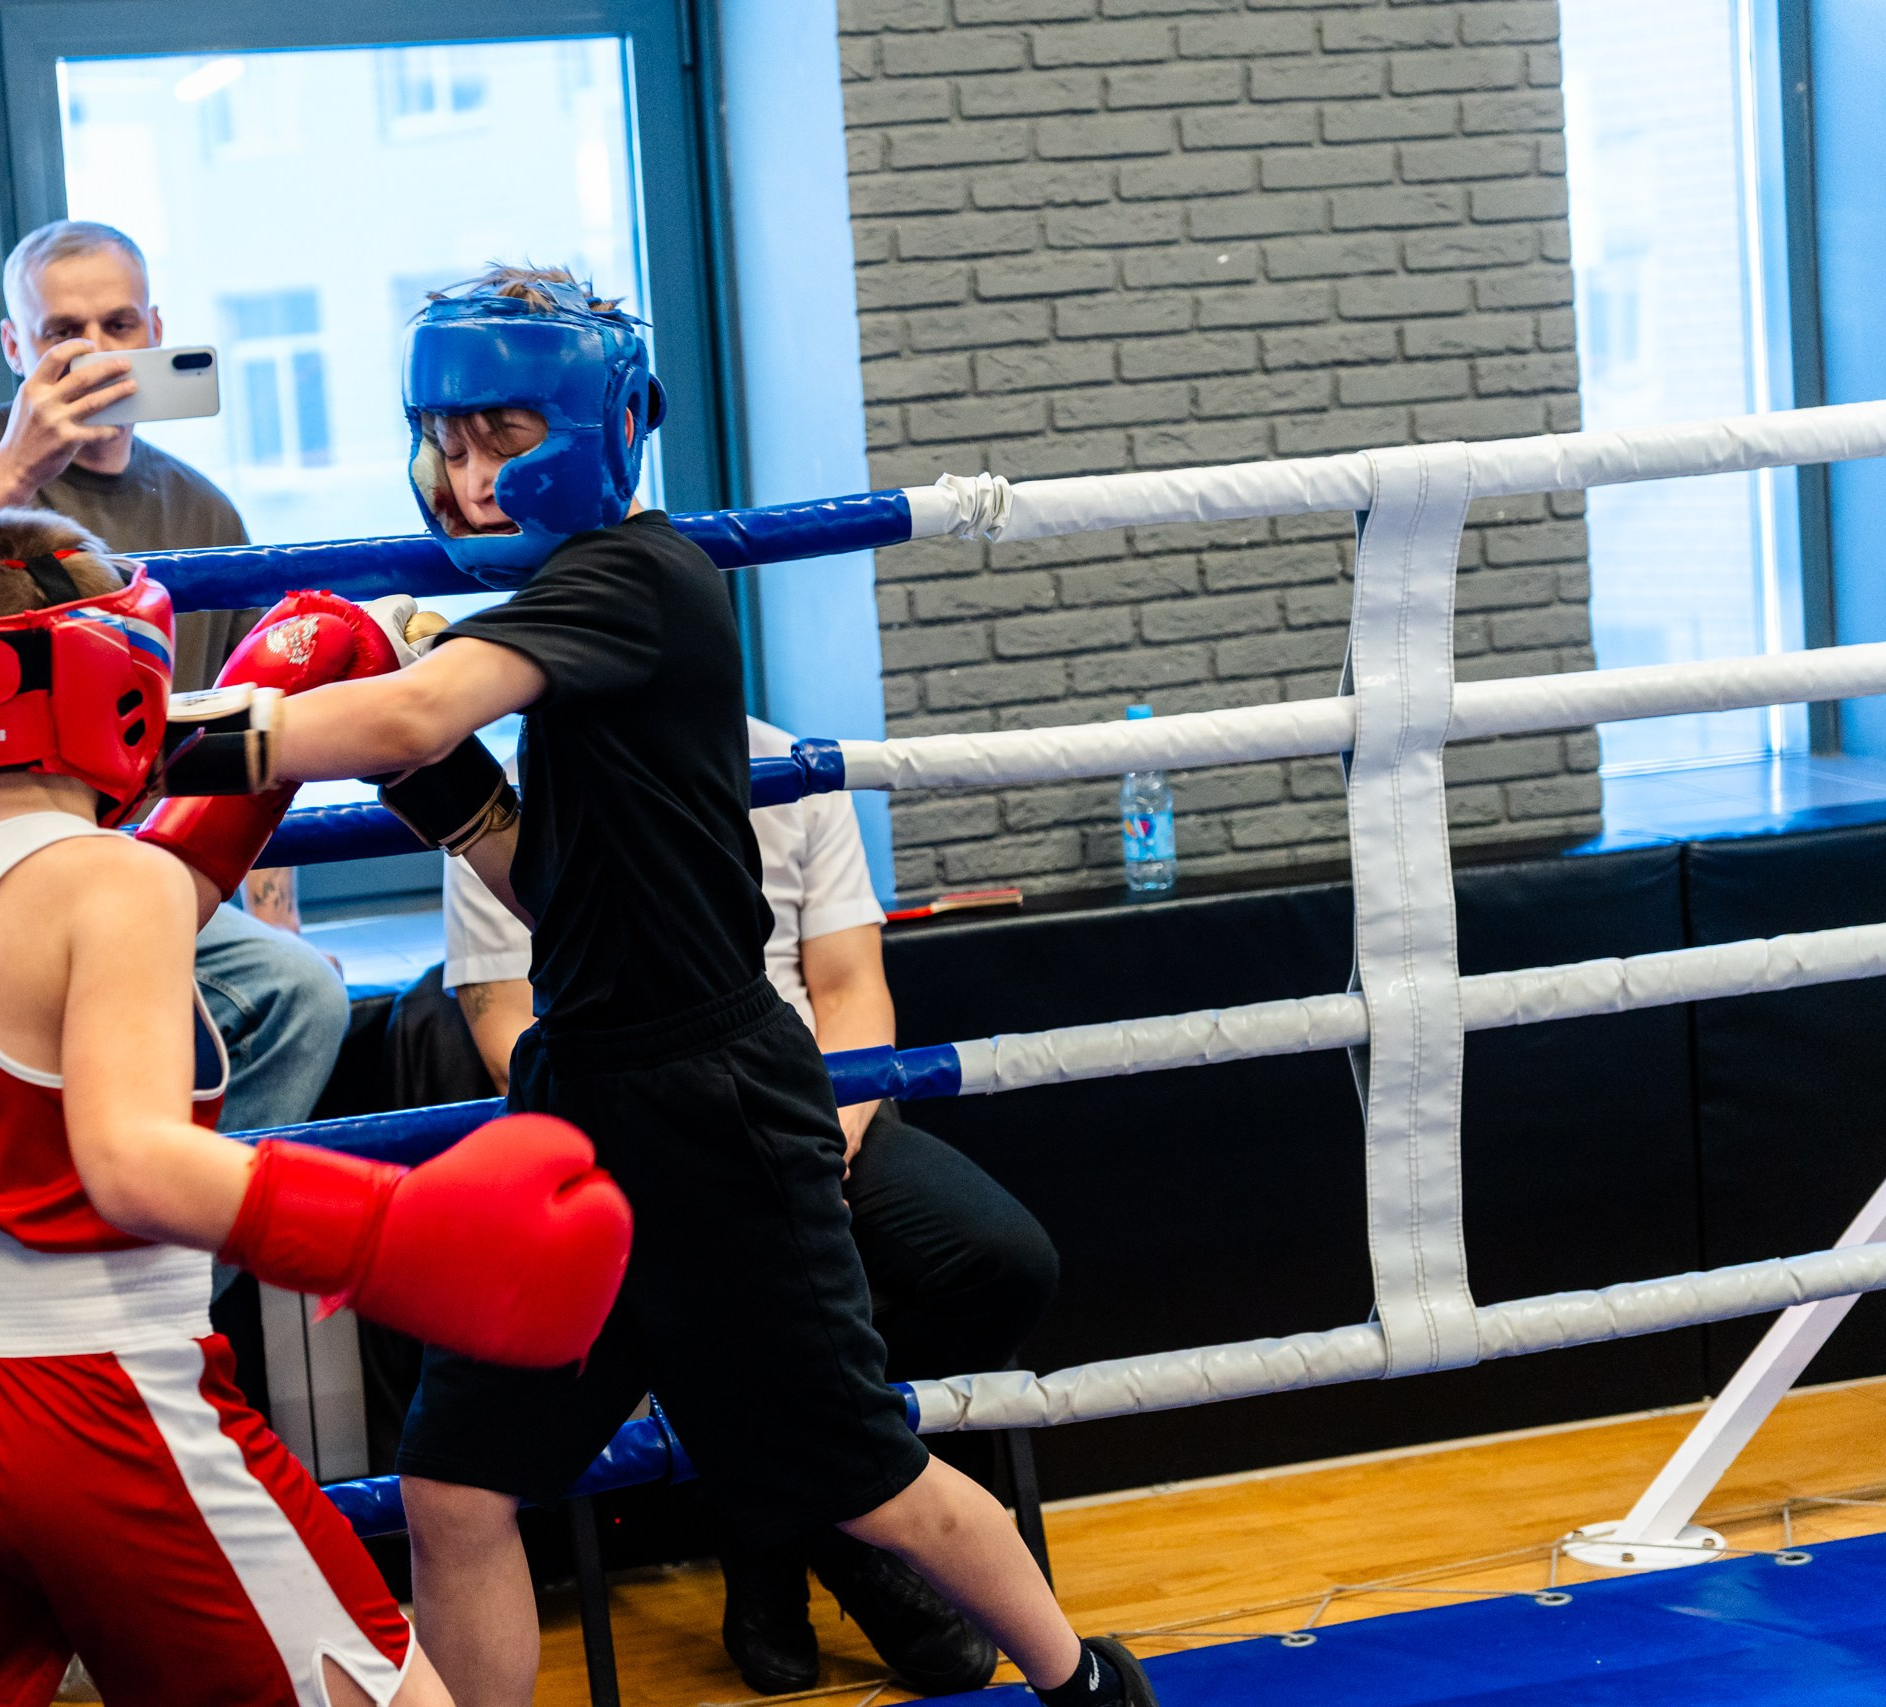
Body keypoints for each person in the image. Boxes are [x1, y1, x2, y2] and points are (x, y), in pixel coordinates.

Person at [147, 268, 1158, 1707]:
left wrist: (158, 737)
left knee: (865, 1470)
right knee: (454, 1480)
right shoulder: (561, 613)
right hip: (579, 1102)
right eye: (448, 438)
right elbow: (535, 884)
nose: (470, 472)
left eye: (501, 433)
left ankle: (1087, 1683)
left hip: (714, 1103)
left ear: (600, 421)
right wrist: (436, 793)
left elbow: (423, 701)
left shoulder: (634, 575)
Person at [0, 508, 631, 1706]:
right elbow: (131, 1162)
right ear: (117, 676)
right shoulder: (118, 883)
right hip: (93, 1398)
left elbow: (84, 948)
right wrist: (396, 1233)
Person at [445, 716, 1061, 1697]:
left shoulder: (785, 767)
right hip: (632, 1134)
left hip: (805, 1110)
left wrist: (830, 1135)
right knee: (707, 1296)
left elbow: (853, 984)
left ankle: (791, 1519)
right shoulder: (521, 793)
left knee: (998, 1257)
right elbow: (504, 1022)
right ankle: (838, 1523)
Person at [0, 217, 344, 1133]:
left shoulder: (200, 508)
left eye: (118, 324)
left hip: (124, 881)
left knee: (297, 994)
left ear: (155, 331)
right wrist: (18, 466)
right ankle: (94, 1237)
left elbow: (246, 721)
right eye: (63, 332)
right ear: (14, 346)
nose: (95, 352)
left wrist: (273, 912)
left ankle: (168, 1252)